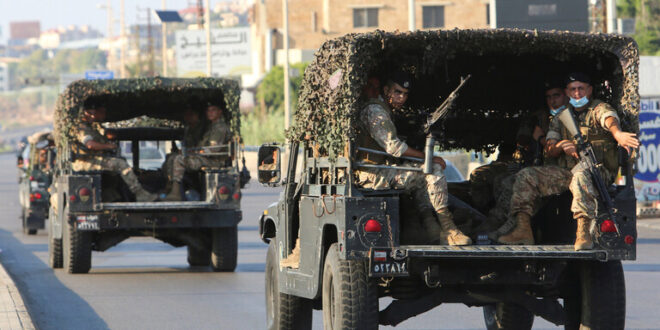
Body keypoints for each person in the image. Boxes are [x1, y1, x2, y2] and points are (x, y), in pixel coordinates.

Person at [495, 73, 639, 250]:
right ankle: (523, 230)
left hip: (597, 172)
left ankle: (583, 232)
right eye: (573, 89)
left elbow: (608, 118)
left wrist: (617, 134)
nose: (577, 93)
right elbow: (550, 147)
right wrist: (562, 146)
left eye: (581, 88)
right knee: (527, 175)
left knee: (581, 175)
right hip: (567, 172)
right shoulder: (561, 117)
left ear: (590, 90)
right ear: (567, 92)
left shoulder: (598, 108)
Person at [354, 71, 471, 246]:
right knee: (432, 170)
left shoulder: (383, 109)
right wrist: (427, 157)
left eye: (405, 94)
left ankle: (431, 226)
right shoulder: (375, 110)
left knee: (422, 174)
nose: (401, 98)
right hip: (372, 174)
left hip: (379, 170)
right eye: (397, 92)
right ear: (386, 90)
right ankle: (449, 228)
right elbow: (394, 147)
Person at [71, 105, 158, 202]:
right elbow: (90, 145)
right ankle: (140, 194)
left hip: (93, 160)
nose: (92, 116)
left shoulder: (92, 127)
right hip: (86, 162)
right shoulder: (81, 128)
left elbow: (104, 136)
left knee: (117, 167)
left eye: (94, 113)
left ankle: (114, 196)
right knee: (120, 164)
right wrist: (107, 146)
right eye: (90, 113)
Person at [164, 100, 231, 201]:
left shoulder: (220, 127)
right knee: (172, 157)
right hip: (206, 158)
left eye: (213, 110)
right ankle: (170, 188)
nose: (210, 113)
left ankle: (176, 193)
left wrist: (192, 153)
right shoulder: (211, 127)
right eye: (208, 111)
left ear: (220, 112)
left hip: (215, 162)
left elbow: (212, 150)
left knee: (179, 160)